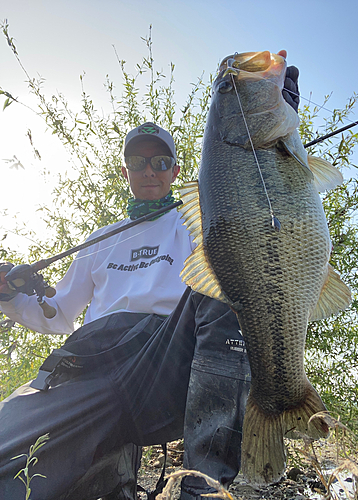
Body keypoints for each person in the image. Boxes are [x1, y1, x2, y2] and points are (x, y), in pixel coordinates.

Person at [0, 57, 299, 500]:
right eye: (138, 162)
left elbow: (258, 216)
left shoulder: (199, 218)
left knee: (227, 284)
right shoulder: (98, 239)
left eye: (162, 163)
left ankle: (207, 486)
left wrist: (279, 131)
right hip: (89, 364)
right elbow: (60, 315)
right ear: (125, 172)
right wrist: (7, 297)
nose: (150, 170)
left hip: (165, 357)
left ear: (178, 172)